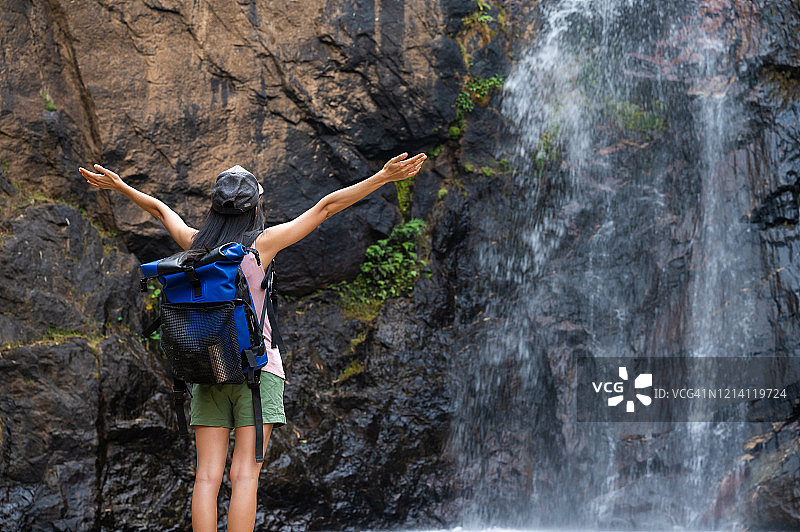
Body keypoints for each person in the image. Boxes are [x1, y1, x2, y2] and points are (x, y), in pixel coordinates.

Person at [78, 152, 426, 532]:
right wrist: (382, 176)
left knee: (206, 477)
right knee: (245, 475)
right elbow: (326, 207)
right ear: (255, 206)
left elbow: (162, 212)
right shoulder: (263, 244)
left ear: (214, 208)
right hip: (257, 372)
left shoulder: (196, 244)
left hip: (209, 370)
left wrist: (121, 187)